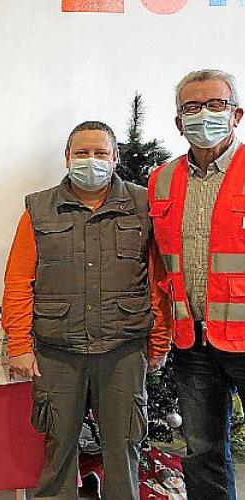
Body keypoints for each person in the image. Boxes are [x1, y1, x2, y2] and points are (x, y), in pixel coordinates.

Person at [2, 121, 172, 499]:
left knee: (123, 448)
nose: (90, 160)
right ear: (67, 158)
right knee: (58, 448)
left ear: (115, 158)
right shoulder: (39, 210)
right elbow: (18, 281)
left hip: (123, 350)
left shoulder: (143, 206)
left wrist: (160, 340)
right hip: (58, 353)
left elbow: (159, 280)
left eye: (100, 153)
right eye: (81, 153)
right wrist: (19, 345)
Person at [148, 69, 245, 500]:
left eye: (216, 104)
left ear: (236, 114)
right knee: (203, 449)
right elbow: (159, 264)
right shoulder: (162, 180)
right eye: (192, 107)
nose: (204, 114)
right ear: (178, 121)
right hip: (193, 341)